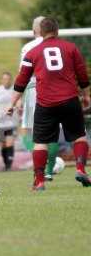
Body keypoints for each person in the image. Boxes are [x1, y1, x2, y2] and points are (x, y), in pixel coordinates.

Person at [8, 17, 90, 191]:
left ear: (40, 32)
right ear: (57, 31)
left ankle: (39, 181)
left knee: (40, 142)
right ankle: (81, 169)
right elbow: (82, 75)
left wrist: (12, 102)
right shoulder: (71, 48)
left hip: (45, 103)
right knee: (79, 136)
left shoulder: (32, 52)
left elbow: (21, 81)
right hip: (69, 100)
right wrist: (86, 95)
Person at [20, 16, 59, 181]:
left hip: (34, 89)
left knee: (31, 132)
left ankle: (39, 170)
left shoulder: (28, 47)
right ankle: (49, 170)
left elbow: (22, 73)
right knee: (54, 131)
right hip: (57, 90)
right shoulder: (59, 45)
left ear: (34, 30)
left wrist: (17, 99)